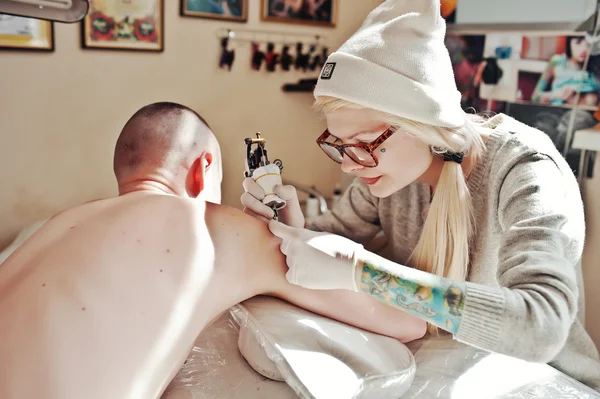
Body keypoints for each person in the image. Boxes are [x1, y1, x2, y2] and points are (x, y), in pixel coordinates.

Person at [241, 0, 600, 392]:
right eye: (339, 144)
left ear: (425, 123)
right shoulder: (386, 177)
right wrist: (297, 232)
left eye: (363, 143)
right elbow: (335, 245)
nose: (349, 165)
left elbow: (540, 327)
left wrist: (363, 272)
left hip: (544, 382)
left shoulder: (527, 170)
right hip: (442, 367)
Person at [0, 102, 425, 399]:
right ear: (203, 170)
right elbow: (409, 317)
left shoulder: (57, 225)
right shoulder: (208, 227)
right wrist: (293, 239)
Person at [532, 35, 600, 107]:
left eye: (588, 44)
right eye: (578, 42)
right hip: (558, 112)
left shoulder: (596, 65)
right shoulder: (557, 62)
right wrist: (556, 94)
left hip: (588, 114)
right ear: (569, 43)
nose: (583, 49)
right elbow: (535, 97)